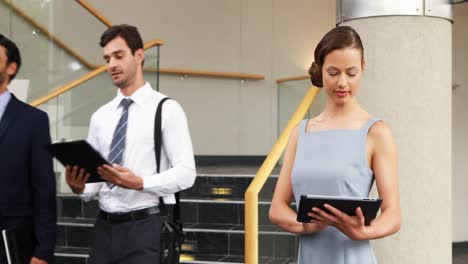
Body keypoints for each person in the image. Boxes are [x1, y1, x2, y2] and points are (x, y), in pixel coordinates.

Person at [65, 24, 196, 263]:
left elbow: (187, 174)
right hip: (104, 229)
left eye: (118, 55)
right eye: (107, 59)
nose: (111, 64)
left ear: (139, 55)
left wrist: (139, 183)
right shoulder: (100, 116)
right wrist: (79, 187)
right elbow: (96, 183)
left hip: (145, 229)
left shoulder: (166, 109)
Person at [269, 26, 401, 263]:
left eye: (351, 73)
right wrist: (308, 227)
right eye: (333, 72)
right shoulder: (300, 133)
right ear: (320, 71)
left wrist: (364, 232)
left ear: (363, 67)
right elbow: (277, 209)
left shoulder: (376, 132)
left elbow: (393, 214)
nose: (342, 82)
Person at [0, 35, 56, 264]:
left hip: (11, 241)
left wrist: (43, 250)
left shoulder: (33, 120)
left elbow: (44, 188)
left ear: (11, 67)